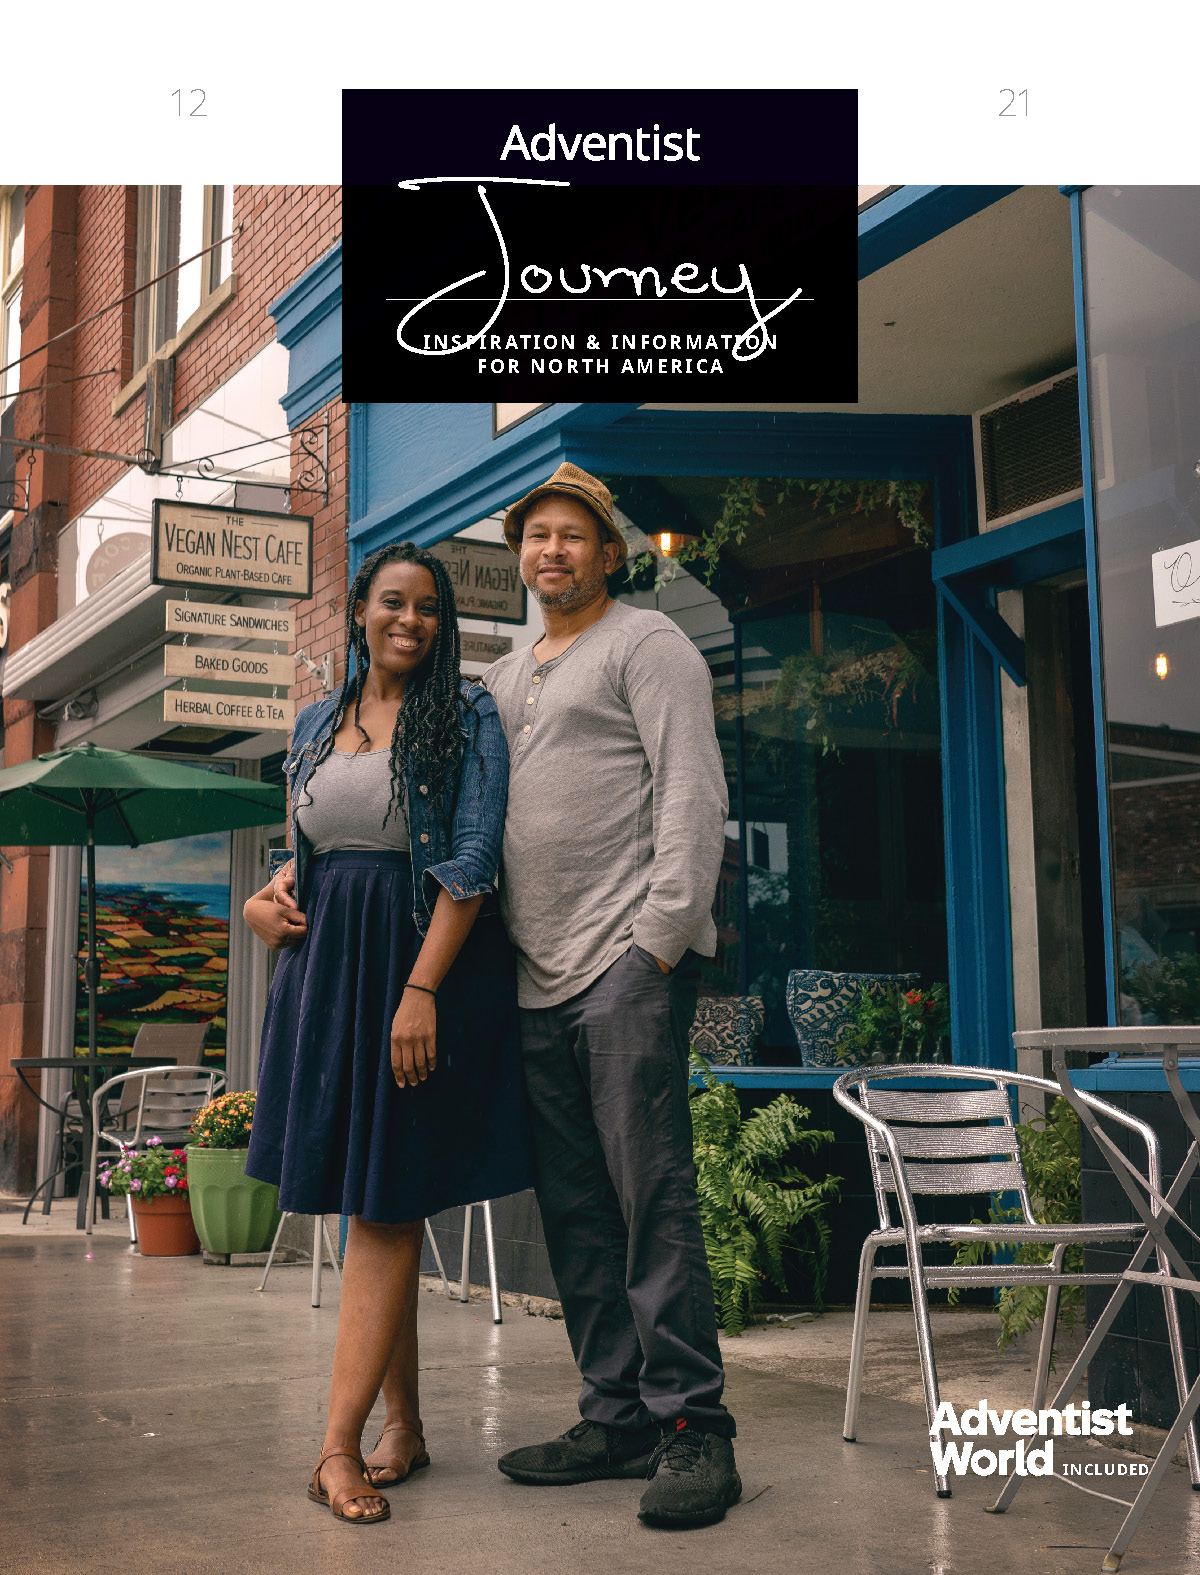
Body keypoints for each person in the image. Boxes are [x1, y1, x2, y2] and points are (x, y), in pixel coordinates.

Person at [243, 541, 532, 1525]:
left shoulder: (468, 715)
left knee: (388, 1202)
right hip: (327, 977)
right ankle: (402, 1423)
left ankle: (335, 1449)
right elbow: (309, 851)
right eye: (392, 602)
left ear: (445, 625)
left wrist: (421, 992)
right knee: (378, 1194)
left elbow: (472, 862)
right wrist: (264, 903)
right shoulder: (317, 721)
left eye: (430, 608)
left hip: (419, 972)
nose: (410, 620)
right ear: (360, 608)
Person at [484, 463, 741, 1529]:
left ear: (609, 553)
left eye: (573, 535)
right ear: (522, 556)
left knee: (652, 1201)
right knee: (579, 1214)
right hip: (533, 975)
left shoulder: (650, 644)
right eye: (536, 535)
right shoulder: (506, 675)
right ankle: (617, 1413)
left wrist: (659, 944)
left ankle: (694, 1428)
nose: (553, 551)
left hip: (627, 968)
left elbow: (692, 789)